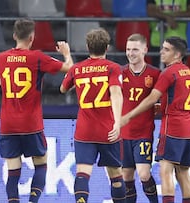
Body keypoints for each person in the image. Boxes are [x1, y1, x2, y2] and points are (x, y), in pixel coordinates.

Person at [0, 18, 73, 203]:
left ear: (14, 36)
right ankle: (33, 201)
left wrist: (6, 78)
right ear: (32, 38)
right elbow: (70, 70)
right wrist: (66, 53)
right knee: (41, 164)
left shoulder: (1, 58)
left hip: (8, 125)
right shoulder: (37, 58)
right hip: (30, 124)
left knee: (13, 171)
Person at [122, 36, 190, 203]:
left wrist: (128, 116)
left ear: (177, 54)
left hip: (173, 128)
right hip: (189, 128)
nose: (161, 52)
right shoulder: (189, 72)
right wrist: (166, 104)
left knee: (165, 172)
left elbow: (151, 98)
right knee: (183, 173)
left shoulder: (167, 73)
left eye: (166, 49)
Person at [60, 28, 125, 203]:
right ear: (107, 47)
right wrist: (117, 123)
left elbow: (63, 88)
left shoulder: (77, 69)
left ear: (87, 46)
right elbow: (116, 94)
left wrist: (67, 55)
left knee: (82, 173)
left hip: (84, 131)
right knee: (116, 175)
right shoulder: (113, 68)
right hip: (107, 130)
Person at [121, 33, 161, 203]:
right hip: (122, 134)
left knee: (144, 174)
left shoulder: (155, 74)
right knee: (126, 176)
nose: (131, 53)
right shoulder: (119, 73)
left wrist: (160, 106)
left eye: (135, 49)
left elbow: (162, 98)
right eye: (128, 49)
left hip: (143, 132)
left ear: (145, 50)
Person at [146, 0, 190, 67]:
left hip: (178, 44)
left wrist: (175, 16)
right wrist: (167, 17)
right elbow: (151, 12)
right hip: (157, 43)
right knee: (159, 74)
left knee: (177, 74)